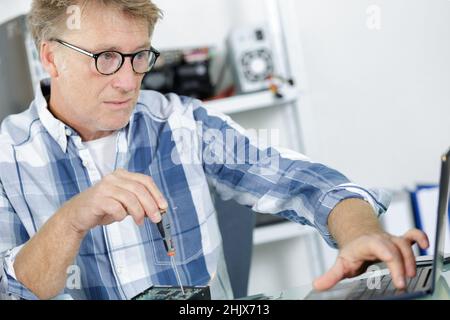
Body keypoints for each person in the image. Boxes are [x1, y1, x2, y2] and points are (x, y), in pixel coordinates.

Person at [0, 0, 429, 300]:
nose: (129, 81)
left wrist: (362, 235)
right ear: (51, 58)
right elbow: (12, 287)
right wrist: (72, 220)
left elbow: (305, 183)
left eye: (139, 57)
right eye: (107, 57)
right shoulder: (8, 159)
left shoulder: (182, 124)